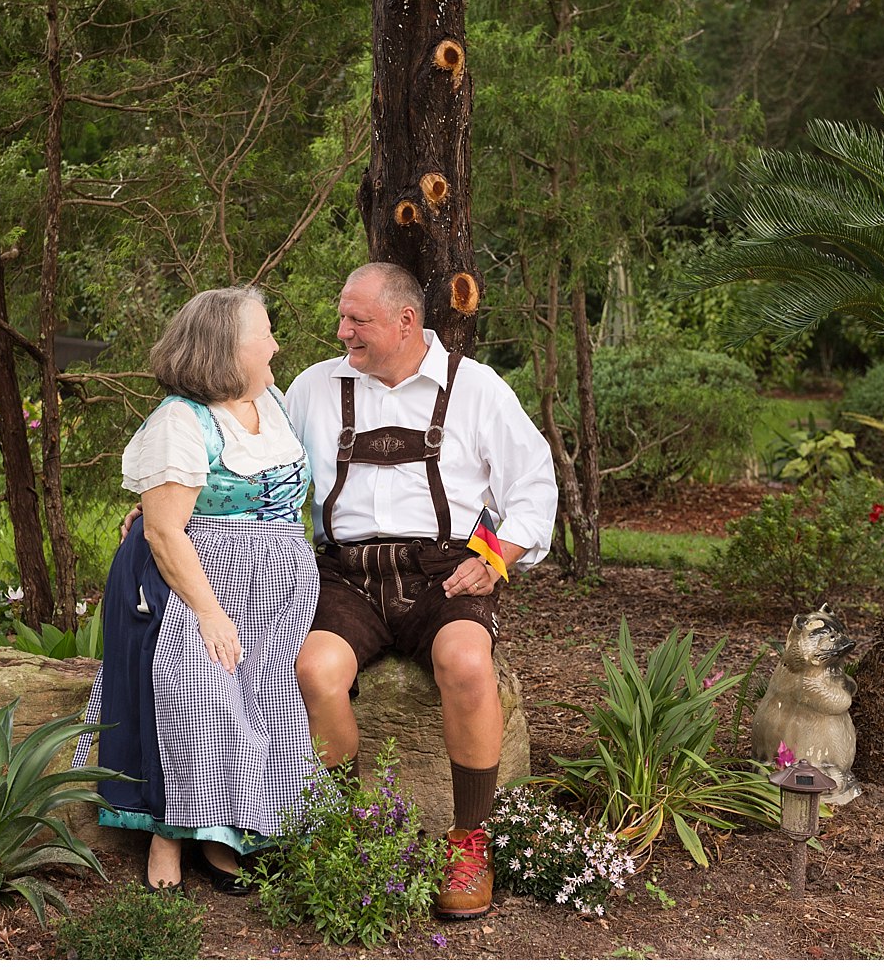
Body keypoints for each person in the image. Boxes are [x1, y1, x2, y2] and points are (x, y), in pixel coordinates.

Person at [284, 262, 557, 920]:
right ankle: (345, 828)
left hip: (445, 574)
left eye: (358, 320)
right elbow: (259, 466)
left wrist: (496, 557)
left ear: (408, 321)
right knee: (315, 670)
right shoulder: (314, 388)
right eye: (342, 316)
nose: (342, 330)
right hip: (346, 575)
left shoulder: (477, 388)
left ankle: (470, 840)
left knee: (465, 663)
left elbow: (535, 483)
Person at [76, 286, 319, 895]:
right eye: (264, 333)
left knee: (271, 697)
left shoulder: (277, 402)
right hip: (188, 583)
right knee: (197, 692)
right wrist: (209, 614)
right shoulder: (180, 421)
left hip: (273, 588)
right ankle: (170, 832)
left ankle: (232, 831)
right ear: (225, 349)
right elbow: (162, 530)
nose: (275, 344)